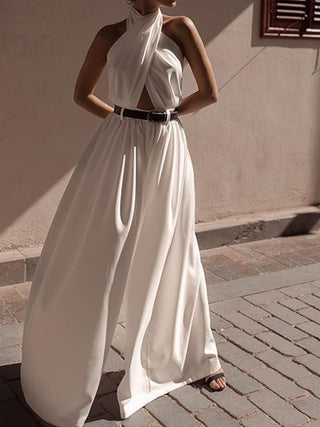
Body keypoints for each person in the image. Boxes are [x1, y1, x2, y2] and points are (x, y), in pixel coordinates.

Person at [20, 0, 226, 425]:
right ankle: (65, 366)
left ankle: (200, 356)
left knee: (175, 248)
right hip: (118, 147)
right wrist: (125, 118)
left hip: (167, 148)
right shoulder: (109, 35)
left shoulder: (182, 27)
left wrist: (165, 117)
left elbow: (209, 93)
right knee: (102, 251)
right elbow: (82, 94)